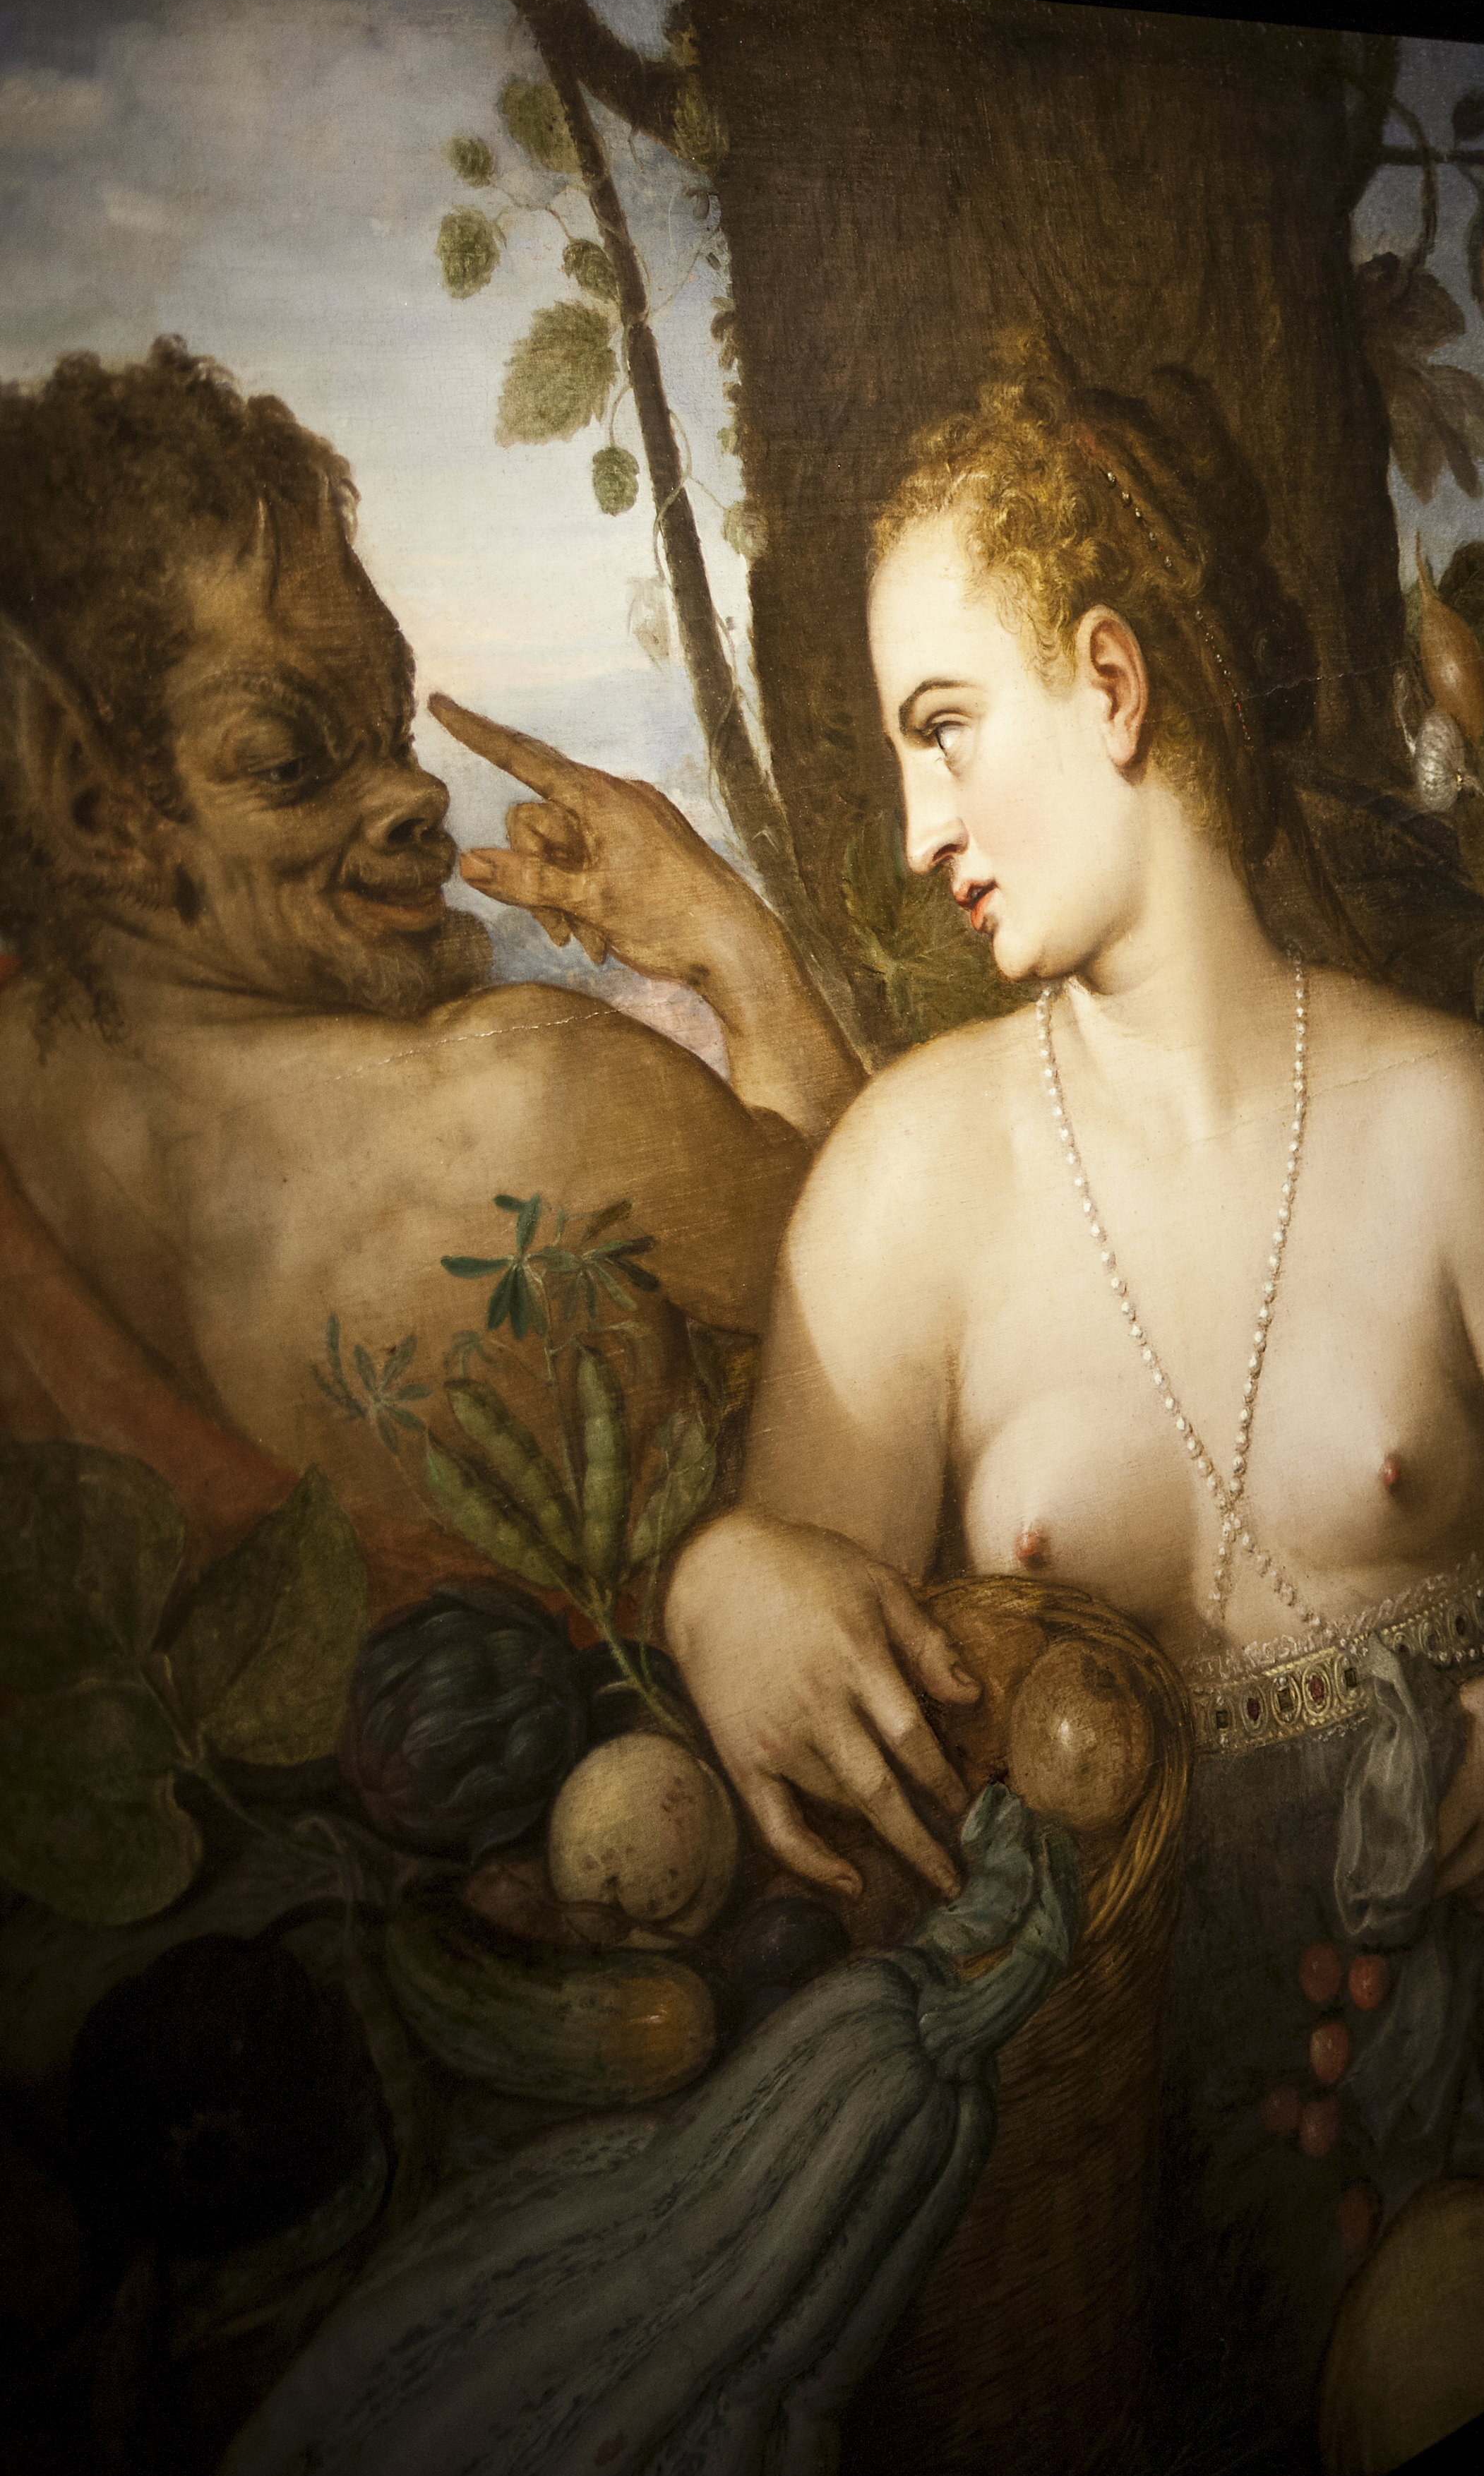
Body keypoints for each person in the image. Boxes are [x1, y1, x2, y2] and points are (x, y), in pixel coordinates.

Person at [658, 342, 1484, 2420]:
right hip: (1132, 2147)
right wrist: (721, 1585)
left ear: (1111, 683)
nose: (920, 827)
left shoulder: (1444, 1115)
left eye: (947, 733)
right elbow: (800, 1668)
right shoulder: (903, 1184)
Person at [0, 340, 857, 1596]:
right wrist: (736, 946)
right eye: (290, 758)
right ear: (94, 808)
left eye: (395, 731)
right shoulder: (536, 1100)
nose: (416, 793)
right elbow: (897, 1296)